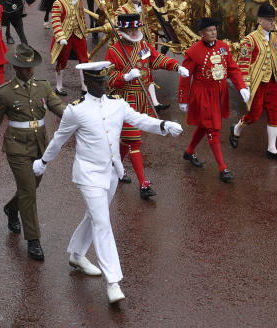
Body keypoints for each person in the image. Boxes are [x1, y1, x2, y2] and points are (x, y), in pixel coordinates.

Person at [33, 61, 184, 303]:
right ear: (89, 82)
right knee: (103, 222)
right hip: (88, 174)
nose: (104, 84)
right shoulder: (76, 110)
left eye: (105, 80)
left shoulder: (117, 104)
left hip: (112, 171)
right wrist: (43, 162)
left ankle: (77, 255)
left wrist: (163, 125)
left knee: (94, 216)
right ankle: (113, 281)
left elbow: (139, 120)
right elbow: (59, 139)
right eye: (98, 81)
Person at [0, 44, 66, 260]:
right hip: (17, 147)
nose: (30, 71)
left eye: (32, 67)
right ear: (16, 68)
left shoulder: (42, 86)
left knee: (31, 187)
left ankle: (11, 208)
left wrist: (79, 119)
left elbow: (59, 108)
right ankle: (33, 240)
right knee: (28, 190)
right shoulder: (4, 92)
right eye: (26, 68)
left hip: (39, 146)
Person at [106, 13, 188, 199]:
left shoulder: (143, 46)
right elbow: (109, 79)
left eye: (136, 29)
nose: (135, 32)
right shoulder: (114, 51)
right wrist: (125, 76)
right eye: (131, 29)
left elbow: (158, 59)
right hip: (125, 100)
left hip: (142, 98)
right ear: (123, 31)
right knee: (134, 140)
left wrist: (176, 66)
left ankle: (115, 166)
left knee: (128, 139)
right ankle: (143, 184)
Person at [178, 18, 249, 183]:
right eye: (209, 30)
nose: (213, 33)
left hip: (219, 93)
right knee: (213, 129)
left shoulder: (223, 47)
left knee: (205, 125)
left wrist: (242, 87)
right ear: (201, 34)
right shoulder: (193, 52)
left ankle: (189, 152)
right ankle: (222, 168)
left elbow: (232, 68)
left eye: (214, 30)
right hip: (202, 94)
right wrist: (183, 98)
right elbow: (184, 76)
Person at [230, 4, 277, 160]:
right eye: (269, 20)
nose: (273, 23)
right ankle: (236, 128)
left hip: (272, 82)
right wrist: (245, 86)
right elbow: (243, 65)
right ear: (260, 20)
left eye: (273, 20)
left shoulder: (275, 37)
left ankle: (272, 148)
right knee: (254, 115)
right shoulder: (249, 40)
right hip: (257, 83)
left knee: (274, 113)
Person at [50, 0, 92, 95]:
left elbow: (82, 16)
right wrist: (60, 36)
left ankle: (84, 86)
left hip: (78, 35)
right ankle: (59, 85)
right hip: (65, 36)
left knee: (84, 60)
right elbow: (55, 20)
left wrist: (84, 31)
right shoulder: (59, 3)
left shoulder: (79, 0)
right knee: (62, 61)